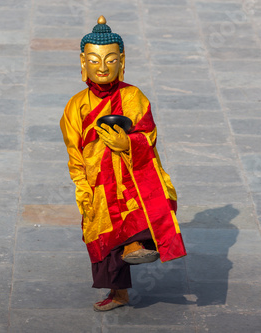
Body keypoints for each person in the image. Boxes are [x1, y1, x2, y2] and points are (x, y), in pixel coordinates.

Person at [60, 15, 186, 312]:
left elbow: (148, 134)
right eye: (94, 60)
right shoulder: (75, 106)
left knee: (141, 202)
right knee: (101, 234)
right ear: (82, 62)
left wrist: (127, 144)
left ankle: (136, 246)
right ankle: (119, 293)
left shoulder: (133, 96)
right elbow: (74, 151)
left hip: (130, 174)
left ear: (122, 61)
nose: (102, 68)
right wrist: (83, 187)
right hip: (98, 180)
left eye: (110, 60)